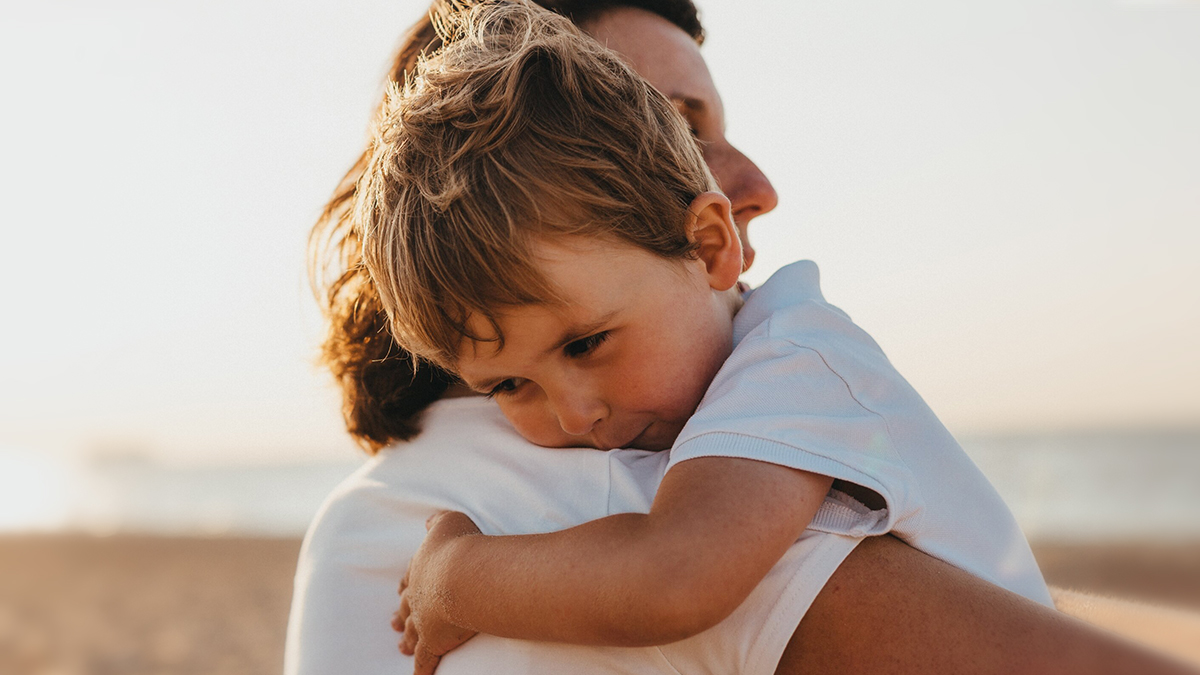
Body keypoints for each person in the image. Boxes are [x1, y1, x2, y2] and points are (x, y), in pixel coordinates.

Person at [287, 1, 1195, 674]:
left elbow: (677, 572)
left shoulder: (787, 361)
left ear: (708, 243)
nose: (574, 414)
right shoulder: (605, 480)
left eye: (584, 344)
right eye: (673, 123)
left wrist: (459, 578)